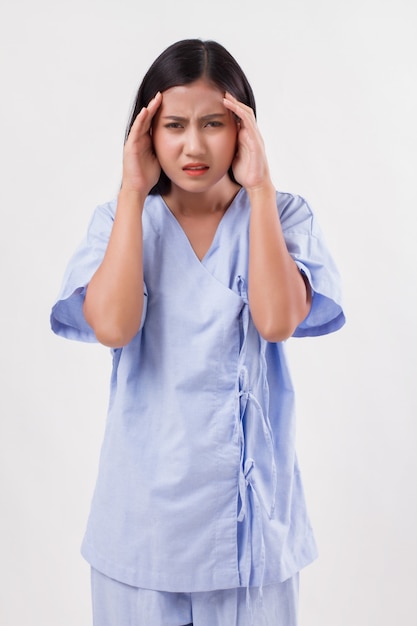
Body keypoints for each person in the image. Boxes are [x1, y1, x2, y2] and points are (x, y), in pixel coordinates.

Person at [51, 38, 345, 626]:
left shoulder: (284, 215)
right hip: (143, 527)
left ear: (244, 129)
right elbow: (112, 326)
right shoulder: (120, 220)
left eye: (214, 123)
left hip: (251, 531)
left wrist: (260, 189)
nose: (193, 145)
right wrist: (133, 191)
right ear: (147, 134)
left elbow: (277, 319)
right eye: (174, 125)